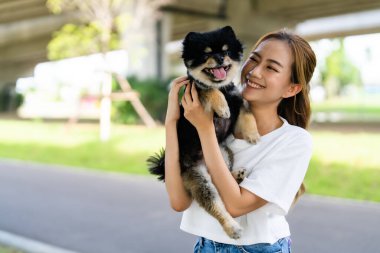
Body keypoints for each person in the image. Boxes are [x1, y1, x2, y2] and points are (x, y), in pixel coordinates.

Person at [164, 29, 316, 253]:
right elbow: (179, 202)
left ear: (291, 88)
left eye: (271, 68)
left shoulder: (293, 140)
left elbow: (236, 206)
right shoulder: (214, 120)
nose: (254, 71)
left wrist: (205, 129)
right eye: (253, 60)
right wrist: (172, 121)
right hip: (205, 246)